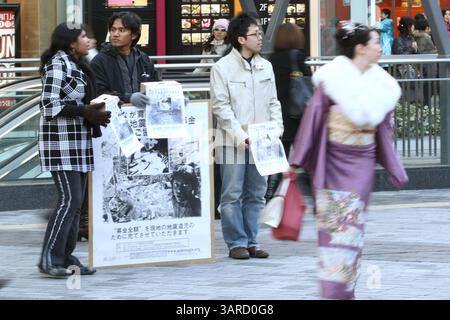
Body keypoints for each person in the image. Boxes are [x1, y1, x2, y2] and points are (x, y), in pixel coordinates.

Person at [288, 22, 408, 300]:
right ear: (360, 48)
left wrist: (395, 168)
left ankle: (343, 290)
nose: (380, 47)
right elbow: (312, 122)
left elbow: (384, 134)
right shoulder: (333, 80)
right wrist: (296, 162)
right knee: (337, 235)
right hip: (332, 165)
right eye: (376, 42)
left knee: (351, 235)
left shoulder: (383, 86)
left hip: (361, 167)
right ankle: (336, 293)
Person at [38, 22, 111, 277]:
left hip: (77, 142)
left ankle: (65, 256)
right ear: (71, 42)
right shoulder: (57, 64)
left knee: (76, 203)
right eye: (83, 37)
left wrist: (93, 110)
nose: (88, 40)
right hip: (60, 143)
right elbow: (48, 105)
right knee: (69, 201)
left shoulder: (76, 63)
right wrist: (84, 111)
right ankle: (49, 259)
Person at [210, 12, 283, 260]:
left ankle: (252, 240)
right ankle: (236, 242)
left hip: (262, 140)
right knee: (231, 193)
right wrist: (240, 135)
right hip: (231, 141)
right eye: (255, 34)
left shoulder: (266, 66)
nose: (260, 38)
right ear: (241, 39)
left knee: (257, 192)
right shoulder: (222, 68)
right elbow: (220, 106)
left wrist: (276, 130)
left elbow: (274, 102)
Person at [265, 23, 311, 200]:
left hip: (278, 117)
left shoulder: (271, 60)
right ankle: (315, 195)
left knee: (278, 159)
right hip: (298, 117)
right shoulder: (298, 58)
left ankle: (272, 196)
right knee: (305, 160)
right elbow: (309, 83)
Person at [90, 11, 160, 107]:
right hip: (112, 117)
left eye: (121, 30)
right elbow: (98, 93)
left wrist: (174, 98)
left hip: (142, 117)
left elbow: (156, 86)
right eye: (113, 30)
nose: (115, 34)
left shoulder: (144, 59)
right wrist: (128, 97)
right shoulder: (100, 61)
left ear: (134, 35)